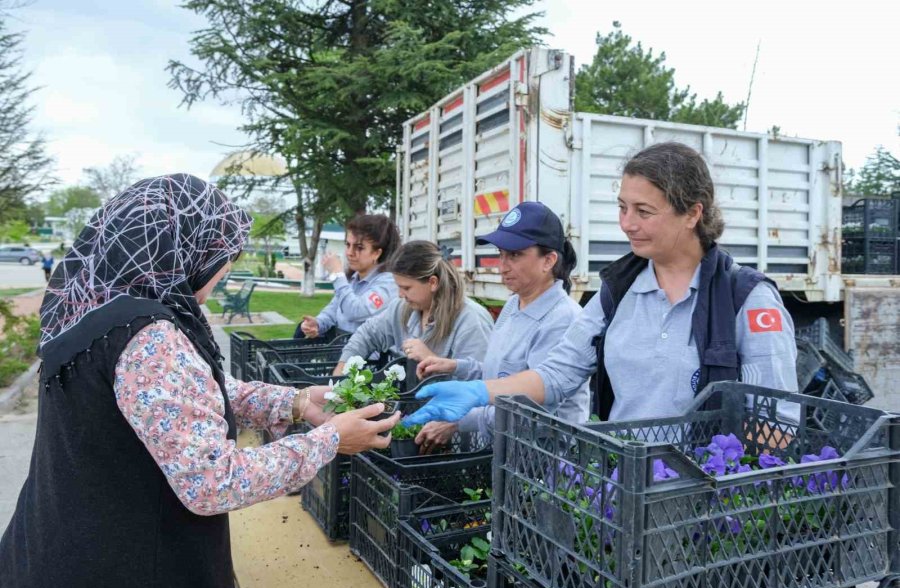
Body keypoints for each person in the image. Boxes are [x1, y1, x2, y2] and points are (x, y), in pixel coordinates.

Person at [0, 174, 399, 588]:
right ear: (189, 248)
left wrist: (295, 401)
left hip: (57, 546)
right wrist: (331, 439)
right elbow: (214, 482)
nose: (226, 269)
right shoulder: (147, 337)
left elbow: (188, 394)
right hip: (124, 570)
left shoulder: (94, 304)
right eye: (225, 255)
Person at [403, 142, 799, 428]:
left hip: (703, 502)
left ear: (692, 213)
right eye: (623, 207)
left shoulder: (745, 298)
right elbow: (557, 374)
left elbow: (777, 422)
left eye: (643, 211)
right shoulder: (617, 291)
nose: (626, 223)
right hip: (628, 489)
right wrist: (480, 392)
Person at [413, 202, 590, 447]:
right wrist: (455, 366)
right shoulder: (513, 305)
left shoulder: (562, 320)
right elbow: (501, 375)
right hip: (506, 453)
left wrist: (457, 421)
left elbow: (535, 411)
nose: (502, 266)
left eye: (515, 255)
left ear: (548, 260)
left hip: (544, 462)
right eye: (501, 254)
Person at [329, 240, 494, 382]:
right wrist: (341, 374)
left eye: (406, 288)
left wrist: (432, 360)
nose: (401, 295)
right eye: (399, 287)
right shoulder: (402, 308)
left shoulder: (471, 320)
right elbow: (367, 335)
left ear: (433, 283)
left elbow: (480, 384)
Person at [296, 214, 400, 340]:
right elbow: (334, 309)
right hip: (344, 352)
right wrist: (317, 324)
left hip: (369, 357)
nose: (349, 253)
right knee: (299, 331)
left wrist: (337, 274)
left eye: (359, 247)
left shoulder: (388, 283)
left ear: (377, 253)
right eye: (348, 245)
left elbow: (356, 311)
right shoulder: (354, 278)